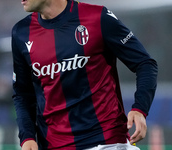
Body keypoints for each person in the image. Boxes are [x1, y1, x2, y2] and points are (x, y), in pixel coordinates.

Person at [11, 0, 158, 150]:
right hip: (53, 146)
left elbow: (144, 63)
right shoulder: (21, 32)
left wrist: (140, 109)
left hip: (107, 142)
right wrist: (27, 137)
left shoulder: (97, 17)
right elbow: (22, 94)